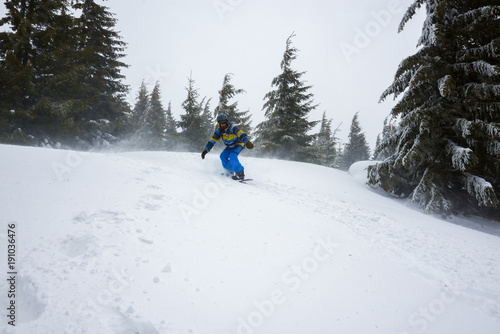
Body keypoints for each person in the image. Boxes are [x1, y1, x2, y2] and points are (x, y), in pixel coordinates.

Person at [201, 114, 254, 180]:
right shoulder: (219, 131)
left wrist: (247, 142)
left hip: (239, 143)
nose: (222, 125)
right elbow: (212, 141)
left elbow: (241, 134)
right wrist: (206, 150)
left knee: (232, 156)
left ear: (226, 122)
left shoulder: (232, 128)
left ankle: (240, 173)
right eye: (221, 123)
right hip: (230, 146)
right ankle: (230, 171)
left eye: (224, 123)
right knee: (222, 156)